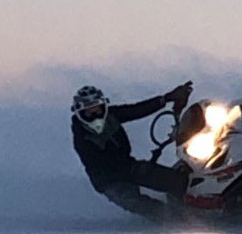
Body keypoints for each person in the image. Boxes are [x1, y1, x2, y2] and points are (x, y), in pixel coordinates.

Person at [70, 82, 194, 222]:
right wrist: (141, 171)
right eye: (89, 111)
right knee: (137, 203)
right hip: (108, 181)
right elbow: (102, 166)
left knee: (176, 181)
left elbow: (136, 110)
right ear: (80, 113)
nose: (95, 115)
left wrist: (165, 98)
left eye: (97, 109)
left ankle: (199, 204)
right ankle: (179, 221)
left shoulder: (111, 115)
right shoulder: (82, 140)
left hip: (128, 165)